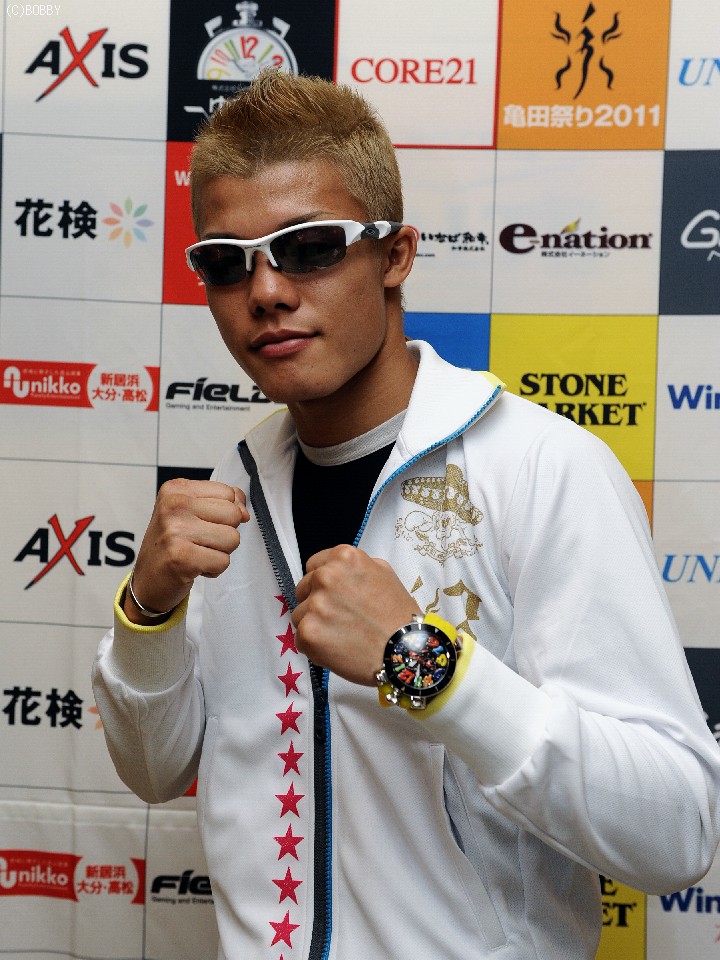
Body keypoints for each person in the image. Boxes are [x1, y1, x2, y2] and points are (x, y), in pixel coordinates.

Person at [92, 70, 720, 960]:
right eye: (227, 262)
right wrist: (145, 614)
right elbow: (156, 771)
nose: (266, 291)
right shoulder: (234, 484)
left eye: (308, 247)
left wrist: (422, 663)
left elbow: (676, 831)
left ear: (394, 255)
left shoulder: (537, 467)